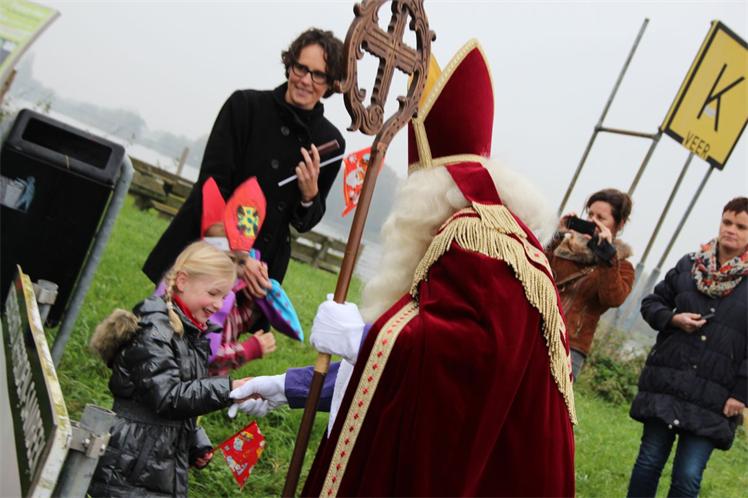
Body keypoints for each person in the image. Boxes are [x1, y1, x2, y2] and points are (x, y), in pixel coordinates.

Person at [230, 39, 575, 497]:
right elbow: (406, 379)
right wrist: (283, 386)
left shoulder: (475, 240)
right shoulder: (496, 235)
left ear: (428, 192)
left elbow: (461, 363)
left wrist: (362, 339)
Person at [143, 27, 346, 298]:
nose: (306, 80)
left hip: (261, 266)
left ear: (330, 83)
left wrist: (309, 195)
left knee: (225, 327)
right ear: (290, 65)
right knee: (167, 319)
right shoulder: (244, 106)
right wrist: (239, 256)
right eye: (301, 68)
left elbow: (304, 223)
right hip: (206, 244)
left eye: (318, 74)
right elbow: (212, 185)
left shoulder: (330, 142)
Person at [87, 241, 252, 497]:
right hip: (130, 468)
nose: (219, 305)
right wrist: (228, 388)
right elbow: (167, 397)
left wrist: (195, 442)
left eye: (224, 297)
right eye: (213, 293)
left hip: (154, 462)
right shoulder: (155, 332)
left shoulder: (191, 335)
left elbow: (182, 399)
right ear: (183, 281)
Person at [626, 196, 748, 498]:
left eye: (741, 226)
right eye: (727, 222)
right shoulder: (689, 265)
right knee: (648, 462)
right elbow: (652, 303)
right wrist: (672, 319)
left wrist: (741, 393)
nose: (731, 230)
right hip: (668, 381)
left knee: (687, 477)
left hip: (715, 395)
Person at [547, 188, 635, 379]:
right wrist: (556, 235)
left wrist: (607, 257)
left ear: (619, 224)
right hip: (536, 329)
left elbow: (612, 298)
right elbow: (533, 270)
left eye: (601, 218)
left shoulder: (621, 266)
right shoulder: (563, 248)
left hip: (570, 345)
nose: (592, 221)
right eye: (590, 214)